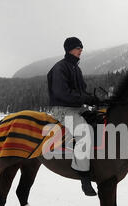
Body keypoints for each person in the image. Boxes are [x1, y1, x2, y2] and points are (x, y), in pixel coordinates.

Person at [47, 37, 99, 196]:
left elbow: (81, 92)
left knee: (100, 121)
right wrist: (85, 99)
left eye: (81, 48)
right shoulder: (59, 68)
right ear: (69, 49)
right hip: (62, 109)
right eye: (78, 48)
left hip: (77, 108)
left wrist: (94, 99)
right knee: (84, 131)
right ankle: (83, 176)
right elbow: (63, 94)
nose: (81, 50)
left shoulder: (76, 68)